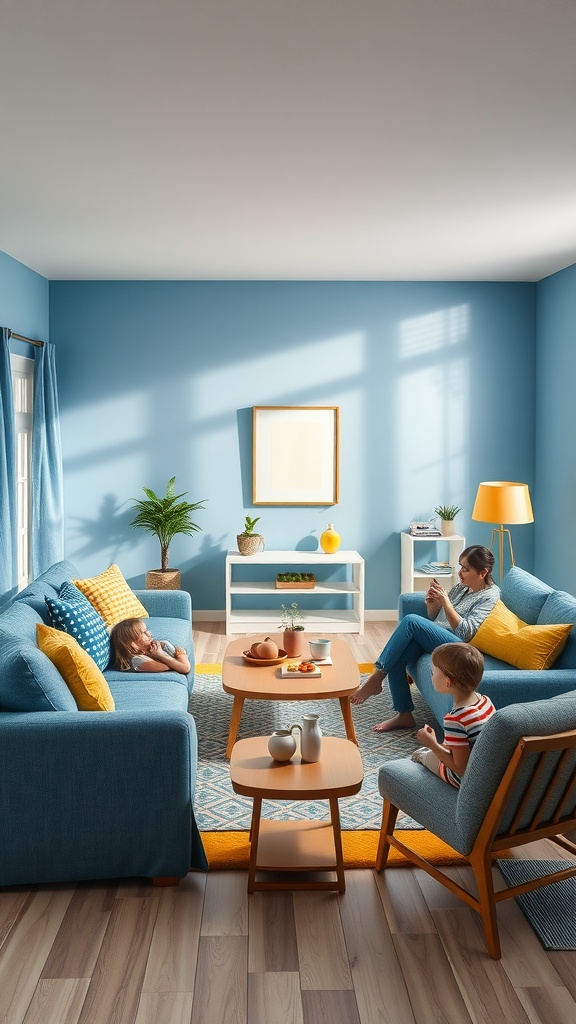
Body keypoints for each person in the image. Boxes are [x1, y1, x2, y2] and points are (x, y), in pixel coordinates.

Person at [350, 544, 499, 731]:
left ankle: (377, 676)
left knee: (411, 620)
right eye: (460, 566)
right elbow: (436, 620)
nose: (460, 573)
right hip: (441, 637)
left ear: (483, 572)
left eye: (466, 569)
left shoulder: (489, 596)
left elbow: (466, 632)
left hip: (460, 646)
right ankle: (404, 715)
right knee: (397, 655)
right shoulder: (463, 588)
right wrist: (433, 605)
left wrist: (446, 603)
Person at [410, 642, 496, 787]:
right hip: (485, 770)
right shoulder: (485, 701)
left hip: (465, 780)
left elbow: (460, 769)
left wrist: (432, 744)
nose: (431, 677)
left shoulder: (456, 719)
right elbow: (470, 742)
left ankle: (422, 756)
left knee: (430, 757)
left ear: (448, 682)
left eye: (433, 672)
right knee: (440, 750)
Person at [110, 618, 190, 674]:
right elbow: (184, 668)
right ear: (133, 644)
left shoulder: (162, 644)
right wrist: (181, 655)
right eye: (143, 632)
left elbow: (182, 665)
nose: (149, 633)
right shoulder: (137, 661)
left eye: (147, 630)